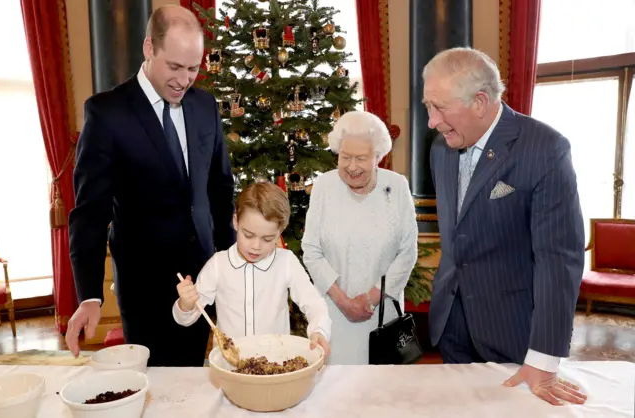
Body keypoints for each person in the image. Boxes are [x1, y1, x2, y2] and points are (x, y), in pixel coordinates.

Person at [66, 5, 236, 367]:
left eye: (193, 69)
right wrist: (89, 295)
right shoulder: (107, 113)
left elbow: (220, 191)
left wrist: (233, 262)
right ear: (148, 48)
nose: (184, 79)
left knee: (194, 379)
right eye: (174, 67)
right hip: (146, 288)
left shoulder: (205, 106)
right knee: (156, 389)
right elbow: (90, 211)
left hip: (203, 278)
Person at [423, 47, 587, 405]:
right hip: (451, 322)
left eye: (439, 108)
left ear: (480, 102)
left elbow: (559, 259)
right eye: (427, 107)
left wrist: (544, 357)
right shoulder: (440, 148)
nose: (431, 122)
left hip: (512, 332)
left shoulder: (545, 149)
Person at [301, 111, 418, 365]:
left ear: (378, 157)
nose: (352, 167)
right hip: (333, 313)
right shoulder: (323, 186)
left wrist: (370, 298)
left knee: (380, 393)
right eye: (345, 157)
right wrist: (343, 301)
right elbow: (311, 250)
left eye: (361, 158)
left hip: (382, 316)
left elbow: (407, 251)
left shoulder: (397, 187)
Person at [174, 182, 331, 359]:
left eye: (267, 238)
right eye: (248, 235)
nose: (256, 246)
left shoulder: (286, 262)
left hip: (275, 364)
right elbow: (186, 319)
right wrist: (186, 304)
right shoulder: (218, 264)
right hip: (230, 366)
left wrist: (319, 331)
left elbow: (314, 303)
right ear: (236, 222)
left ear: (280, 230)